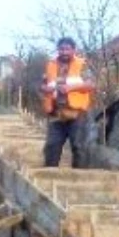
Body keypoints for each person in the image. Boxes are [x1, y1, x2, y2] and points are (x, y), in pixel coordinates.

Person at [40, 37, 95, 168]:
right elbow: (42, 84)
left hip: (77, 113)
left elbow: (91, 85)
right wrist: (45, 88)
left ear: (73, 50)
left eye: (67, 49)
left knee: (78, 147)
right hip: (56, 113)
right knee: (52, 147)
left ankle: (79, 179)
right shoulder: (50, 65)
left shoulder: (82, 64)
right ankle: (49, 176)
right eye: (61, 49)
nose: (64, 52)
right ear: (58, 50)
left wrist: (70, 88)